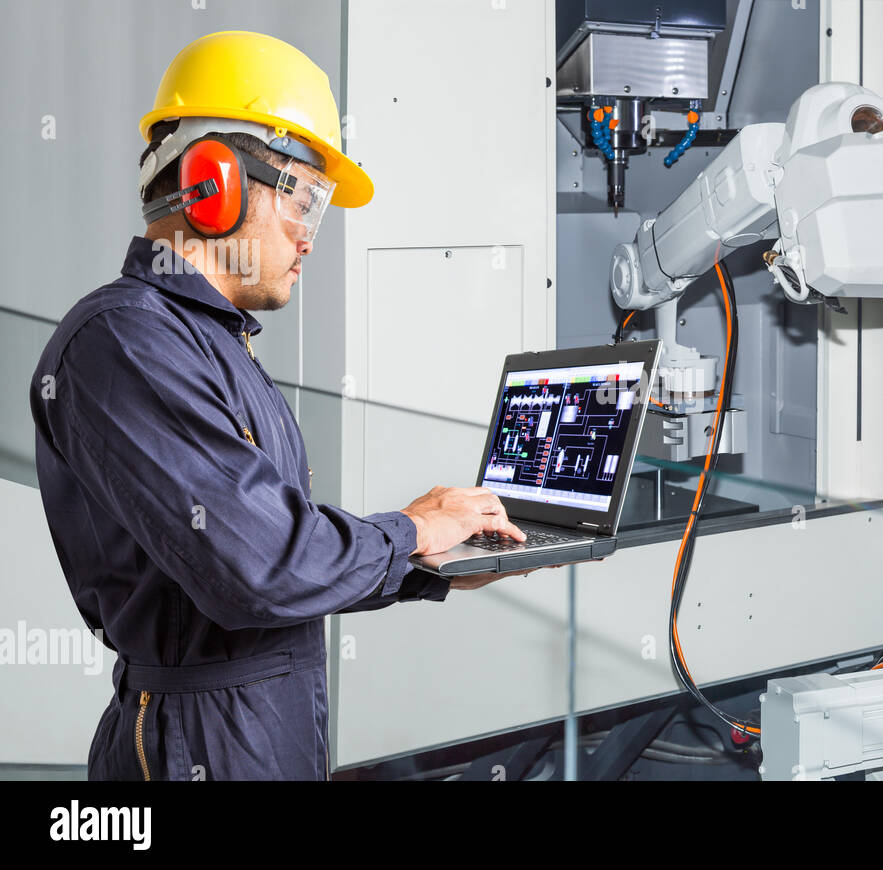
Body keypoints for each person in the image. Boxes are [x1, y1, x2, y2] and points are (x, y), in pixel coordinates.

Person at [29, 30, 528, 780]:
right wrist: (411, 533)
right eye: (304, 202)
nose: (310, 240)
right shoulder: (123, 343)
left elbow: (276, 549)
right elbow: (260, 565)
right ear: (212, 183)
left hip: (265, 724)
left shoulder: (213, 344)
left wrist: (428, 564)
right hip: (200, 745)